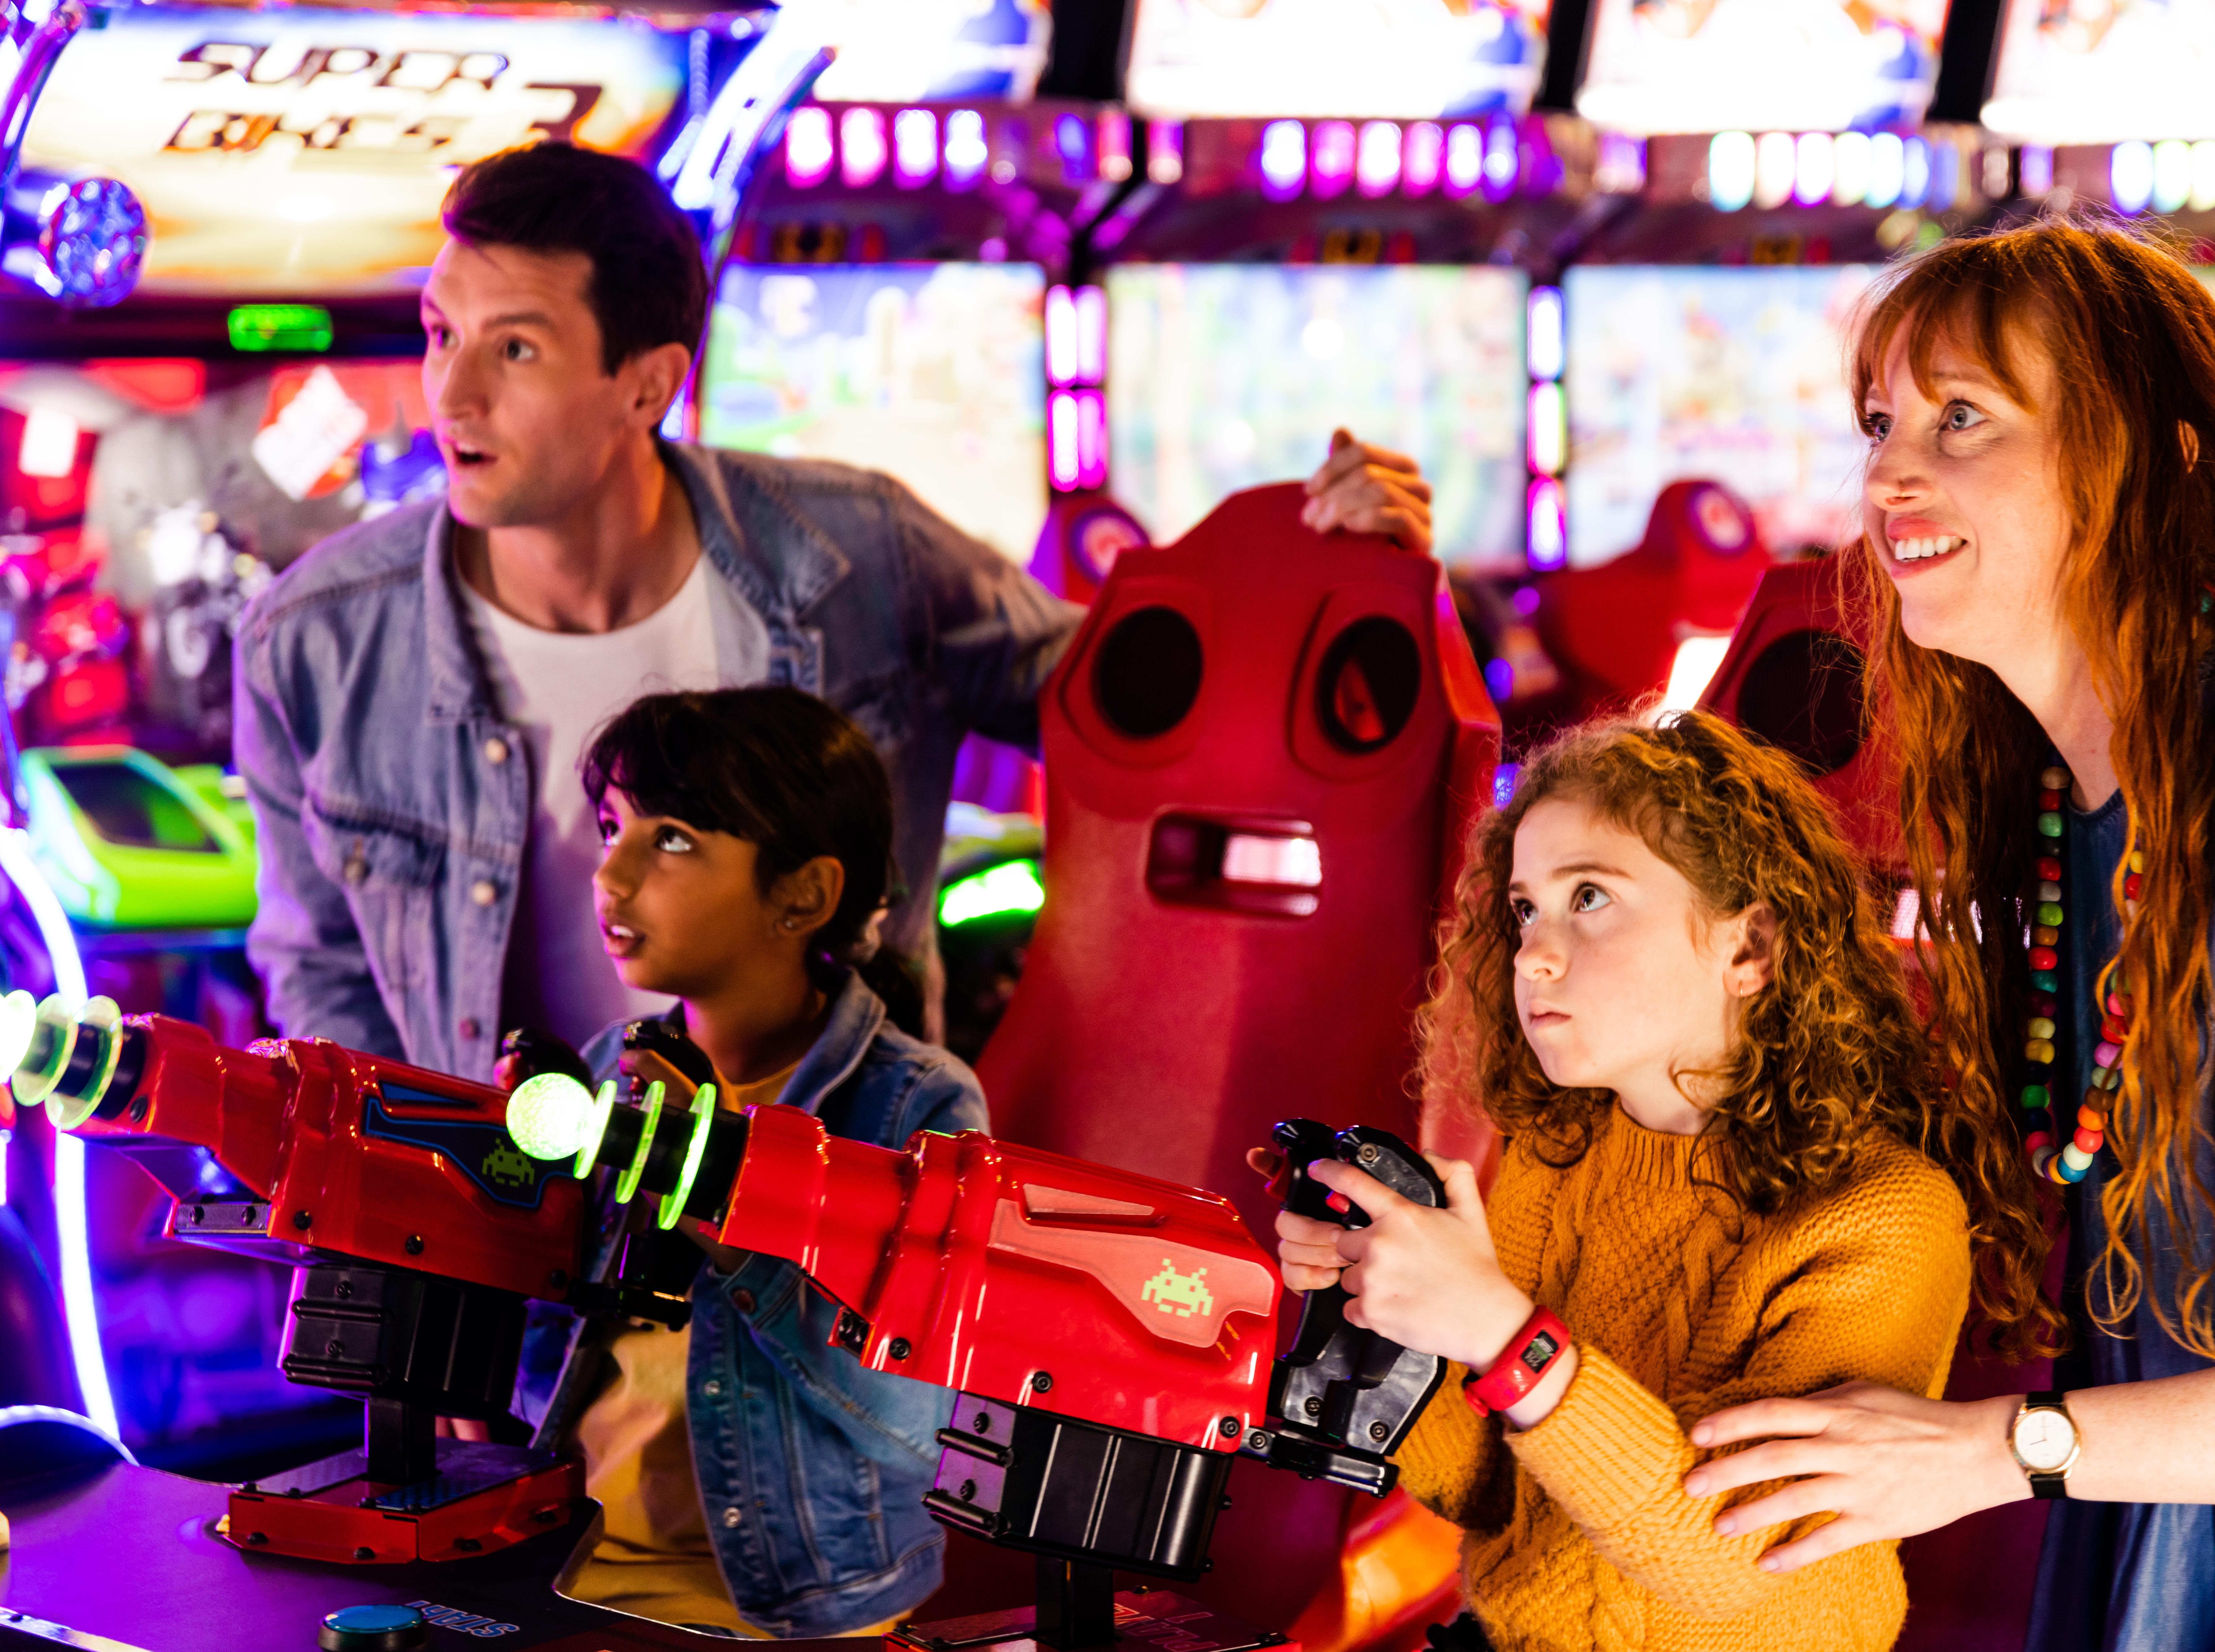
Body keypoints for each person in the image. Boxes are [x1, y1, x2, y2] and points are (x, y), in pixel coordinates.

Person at [1682, 220, 2215, 1650]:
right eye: (1882, 421)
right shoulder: (2074, 800)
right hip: (2168, 1556)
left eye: (1962, 420)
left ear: (2144, 455)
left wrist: (1985, 1451)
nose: (1890, 471)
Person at [236, 139, 1435, 1083]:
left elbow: (1146, 716)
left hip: (836, 1243)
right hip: (521, 1260)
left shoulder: (860, 554)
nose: (449, 389)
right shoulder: (313, 643)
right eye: (442, 332)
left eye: (515, 350)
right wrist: (421, 1258)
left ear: (645, 383)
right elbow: (322, 979)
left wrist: (1340, 573)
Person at [1260, 710, 2048, 1650]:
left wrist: (1499, 1333)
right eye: (1525, 910)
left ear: (1749, 950)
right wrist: (1382, 1314)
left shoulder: (1883, 1217)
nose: (1535, 954)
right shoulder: (1557, 1155)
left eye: (1589, 897)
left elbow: (1725, 1558)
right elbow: (1484, 1492)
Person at [516, 685, 986, 1638]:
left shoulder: (914, 1107)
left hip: (790, 1610)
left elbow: (915, 1427)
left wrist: (718, 1183)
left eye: (674, 839)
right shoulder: (611, 1067)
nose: (611, 875)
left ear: (804, 895)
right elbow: (550, 1343)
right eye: (613, 827)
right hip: (561, 1569)